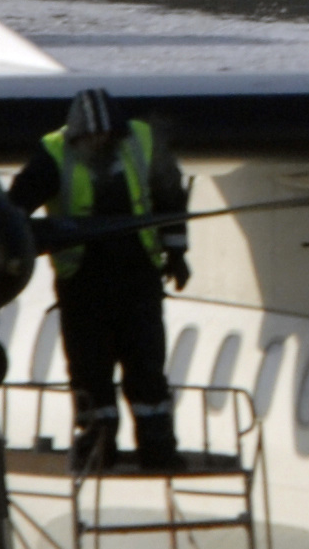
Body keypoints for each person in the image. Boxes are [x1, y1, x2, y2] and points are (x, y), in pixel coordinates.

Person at [12, 88, 191, 473]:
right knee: (90, 372)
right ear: (76, 136)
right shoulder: (52, 154)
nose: (101, 142)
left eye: (108, 136)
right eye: (92, 137)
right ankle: (98, 446)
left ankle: (158, 448)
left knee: (147, 369)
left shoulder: (141, 142)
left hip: (138, 279)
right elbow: (16, 206)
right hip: (83, 284)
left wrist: (176, 253)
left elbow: (170, 194)